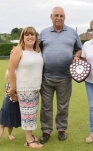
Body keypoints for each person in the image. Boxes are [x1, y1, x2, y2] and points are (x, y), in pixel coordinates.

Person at [39, 6, 82, 143]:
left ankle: (61, 129)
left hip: (65, 77)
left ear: (64, 17)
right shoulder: (43, 33)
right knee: (46, 106)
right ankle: (46, 131)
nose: (59, 18)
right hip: (46, 77)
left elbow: (79, 49)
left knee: (63, 106)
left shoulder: (72, 33)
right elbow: (34, 49)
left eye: (61, 16)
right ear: (51, 17)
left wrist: (76, 56)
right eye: (56, 15)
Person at [7, 26, 44, 149]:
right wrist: (13, 88)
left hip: (35, 88)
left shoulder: (37, 51)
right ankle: (29, 140)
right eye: (27, 35)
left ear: (36, 37)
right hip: (24, 88)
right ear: (22, 37)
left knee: (32, 113)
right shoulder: (18, 50)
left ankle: (31, 135)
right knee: (27, 114)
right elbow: (11, 70)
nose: (30, 37)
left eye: (32, 34)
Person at [0, 70, 21, 151]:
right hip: (7, 106)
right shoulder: (8, 86)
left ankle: (9, 134)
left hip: (14, 107)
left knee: (10, 124)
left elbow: (18, 99)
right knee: (1, 125)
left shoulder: (19, 86)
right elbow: (15, 98)